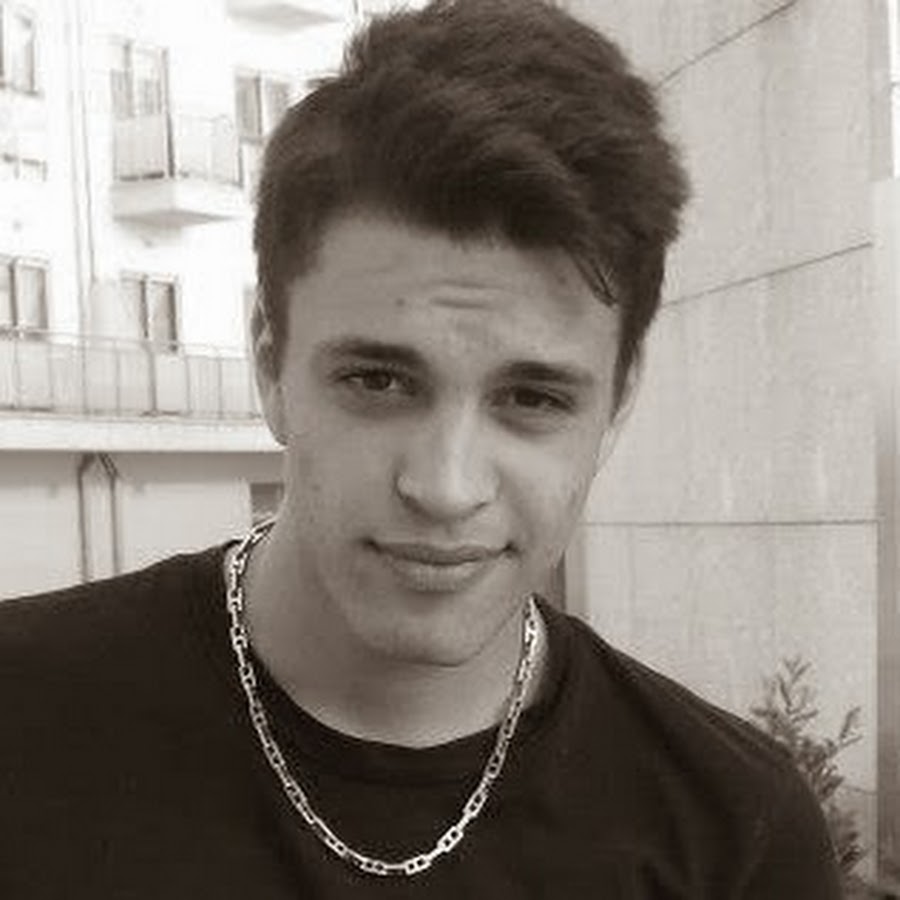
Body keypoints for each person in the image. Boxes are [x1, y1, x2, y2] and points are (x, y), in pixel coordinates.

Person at [0, 0, 842, 896]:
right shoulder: (23, 718)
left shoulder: (734, 834)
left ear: (619, 401)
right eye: (378, 381)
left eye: (533, 398)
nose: (445, 486)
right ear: (269, 363)